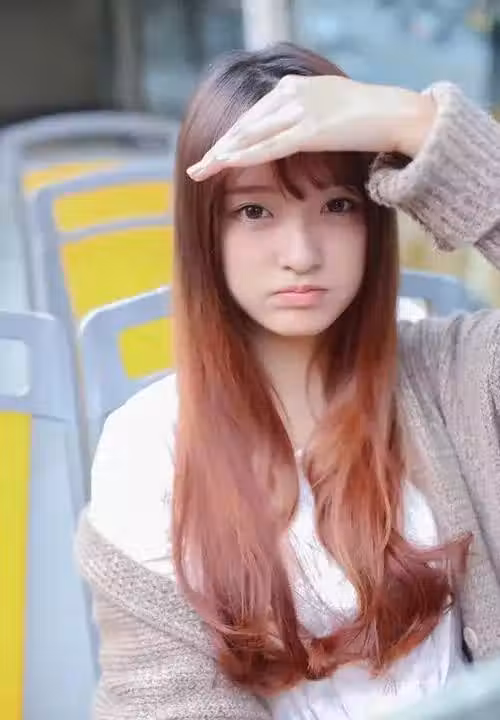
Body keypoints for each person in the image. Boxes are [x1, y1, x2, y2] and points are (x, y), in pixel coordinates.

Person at [76, 42, 500, 719]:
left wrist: (414, 123)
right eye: (254, 211)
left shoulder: (457, 376)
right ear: (205, 232)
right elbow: (164, 703)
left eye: (337, 205)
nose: (301, 255)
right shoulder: (149, 446)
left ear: (373, 220)